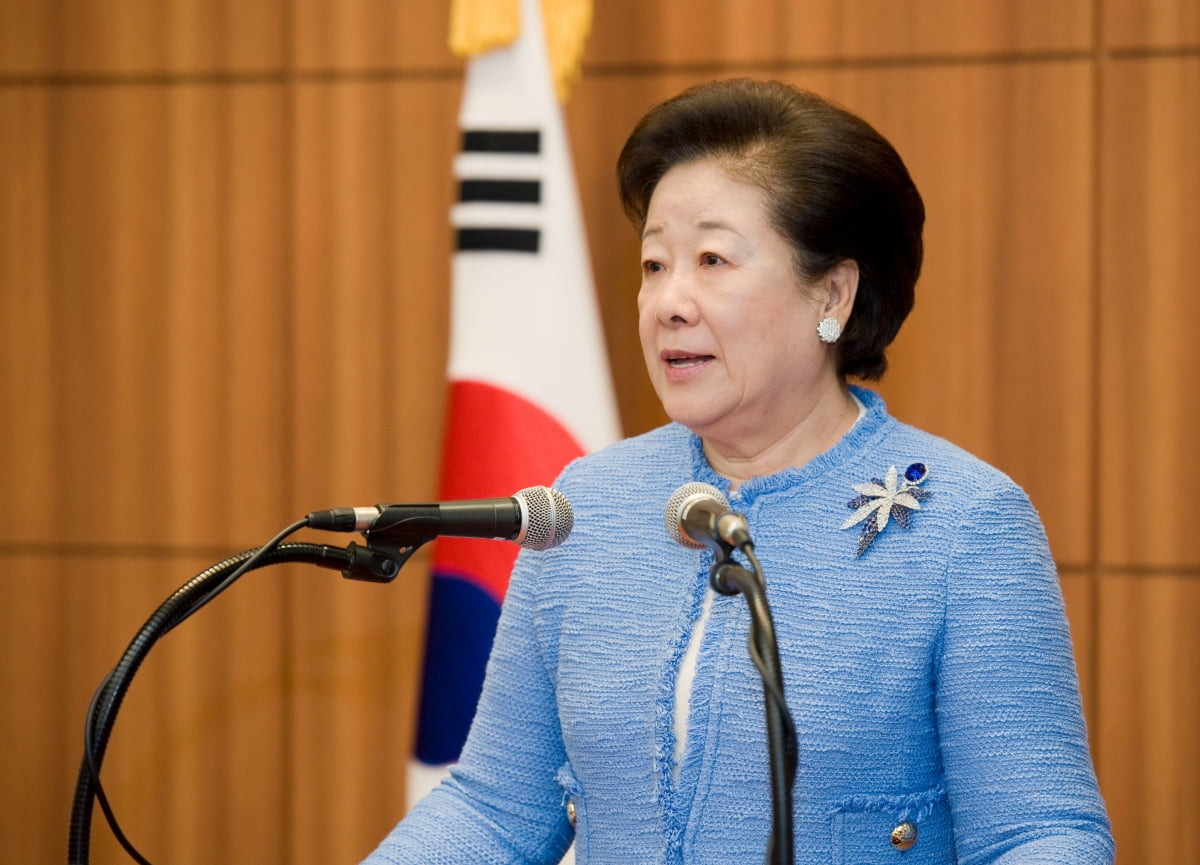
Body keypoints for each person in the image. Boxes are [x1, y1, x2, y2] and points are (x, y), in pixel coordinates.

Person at [361, 78, 1114, 864]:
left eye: (712, 260)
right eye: (655, 264)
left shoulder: (966, 525)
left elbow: (1040, 834)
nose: (668, 302)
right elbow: (494, 810)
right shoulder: (589, 503)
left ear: (833, 293)